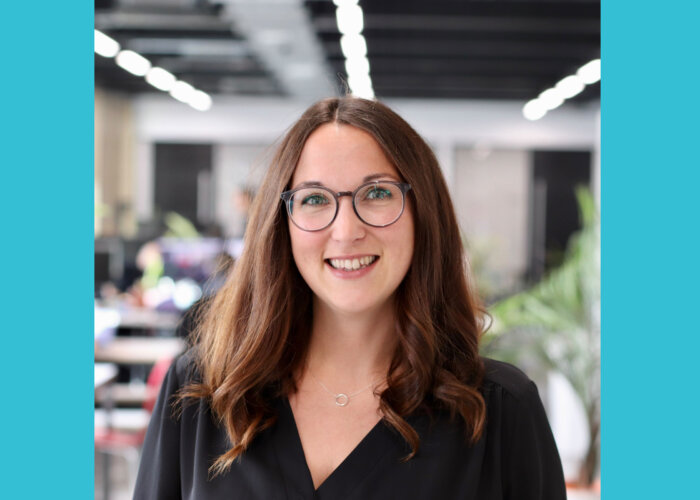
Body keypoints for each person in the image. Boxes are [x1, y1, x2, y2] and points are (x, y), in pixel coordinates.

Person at [133, 97, 567, 499]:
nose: (345, 231)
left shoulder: (500, 409)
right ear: (280, 225)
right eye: (315, 199)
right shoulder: (203, 392)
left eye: (377, 193)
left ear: (423, 212)